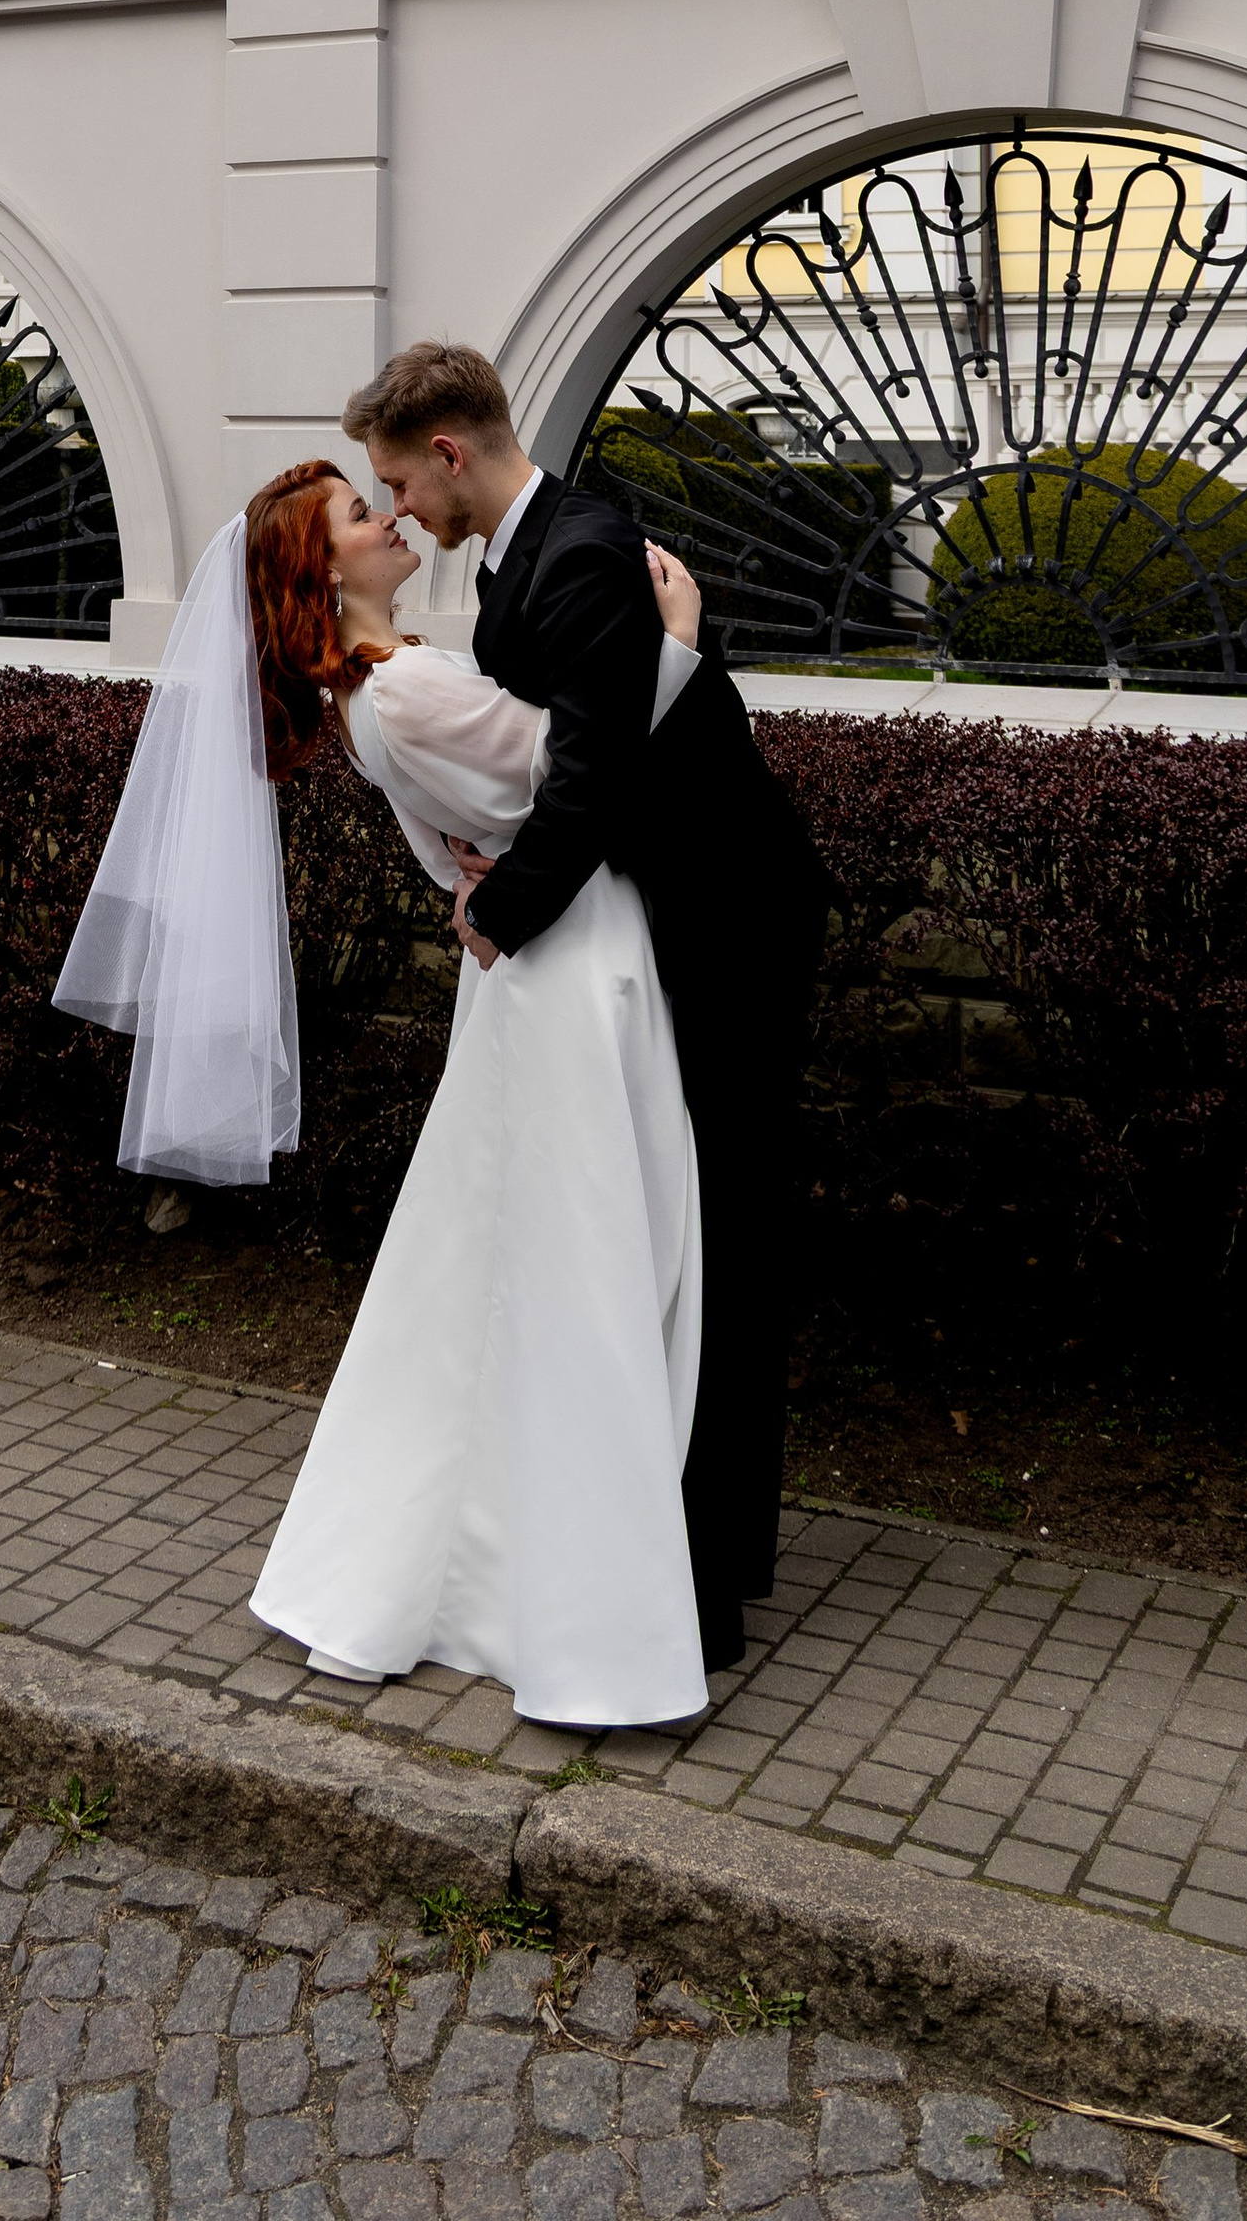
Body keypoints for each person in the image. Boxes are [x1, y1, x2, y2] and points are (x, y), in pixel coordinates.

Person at [54, 455, 717, 1730]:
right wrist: (674, 641)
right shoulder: (398, 689)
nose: (390, 515)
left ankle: (489, 1562)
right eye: (364, 516)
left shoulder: (386, 680)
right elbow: (578, 768)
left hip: (545, 965)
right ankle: (561, 1606)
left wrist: (484, 872)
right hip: (559, 981)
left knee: (501, 1280)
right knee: (568, 1274)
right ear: (324, 570)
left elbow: (496, 821)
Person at [344, 342, 828, 1677]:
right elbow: (568, 750)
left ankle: (705, 1575)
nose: (402, 510)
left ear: (449, 449)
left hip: (728, 919)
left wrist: (495, 913)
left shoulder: (585, 548)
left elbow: (596, 776)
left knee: (718, 1228)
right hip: (651, 917)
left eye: (399, 479)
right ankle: (671, 1540)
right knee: (665, 1228)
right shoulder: (515, 570)